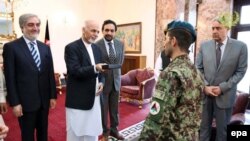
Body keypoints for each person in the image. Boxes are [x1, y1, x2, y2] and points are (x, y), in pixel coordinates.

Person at [139, 20, 204, 141]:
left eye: (165, 39)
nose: (164, 44)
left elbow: (156, 119)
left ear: (173, 41)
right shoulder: (196, 72)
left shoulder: (170, 74)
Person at [3, 13, 57, 141]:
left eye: (37, 25)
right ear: (22, 27)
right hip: (25, 103)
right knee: (27, 135)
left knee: (43, 133)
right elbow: (10, 78)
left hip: (44, 101)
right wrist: (15, 103)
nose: (35, 28)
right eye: (31, 25)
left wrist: (52, 95)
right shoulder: (11, 47)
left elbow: (50, 72)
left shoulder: (45, 47)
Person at [197, 18, 248, 141]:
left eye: (218, 28)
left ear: (227, 28)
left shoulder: (240, 47)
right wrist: (205, 86)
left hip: (225, 96)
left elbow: (240, 71)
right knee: (203, 130)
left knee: (222, 133)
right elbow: (198, 68)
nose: (214, 31)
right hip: (206, 95)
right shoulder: (204, 46)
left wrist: (222, 87)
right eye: (213, 28)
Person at [64, 20, 105, 141]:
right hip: (78, 99)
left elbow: (101, 70)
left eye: (98, 31)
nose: (96, 34)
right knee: (76, 133)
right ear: (83, 30)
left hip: (94, 97)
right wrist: (94, 68)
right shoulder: (71, 47)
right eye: (93, 30)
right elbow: (74, 71)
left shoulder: (97, 49)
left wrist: (101, 82)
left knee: (92, 132)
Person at [95, 19, 125, 141]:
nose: (109, 32)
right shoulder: (96, 45)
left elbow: (121, 62)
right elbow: (96, 64)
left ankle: (114, 130)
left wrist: (109, 67)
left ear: (115, 32)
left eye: (112, 30)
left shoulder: (120, 44)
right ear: (102, 31)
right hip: (103, 81)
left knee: (115, 109)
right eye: (106, 30)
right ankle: (105, 132)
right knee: (103, 109)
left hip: (116, 81)